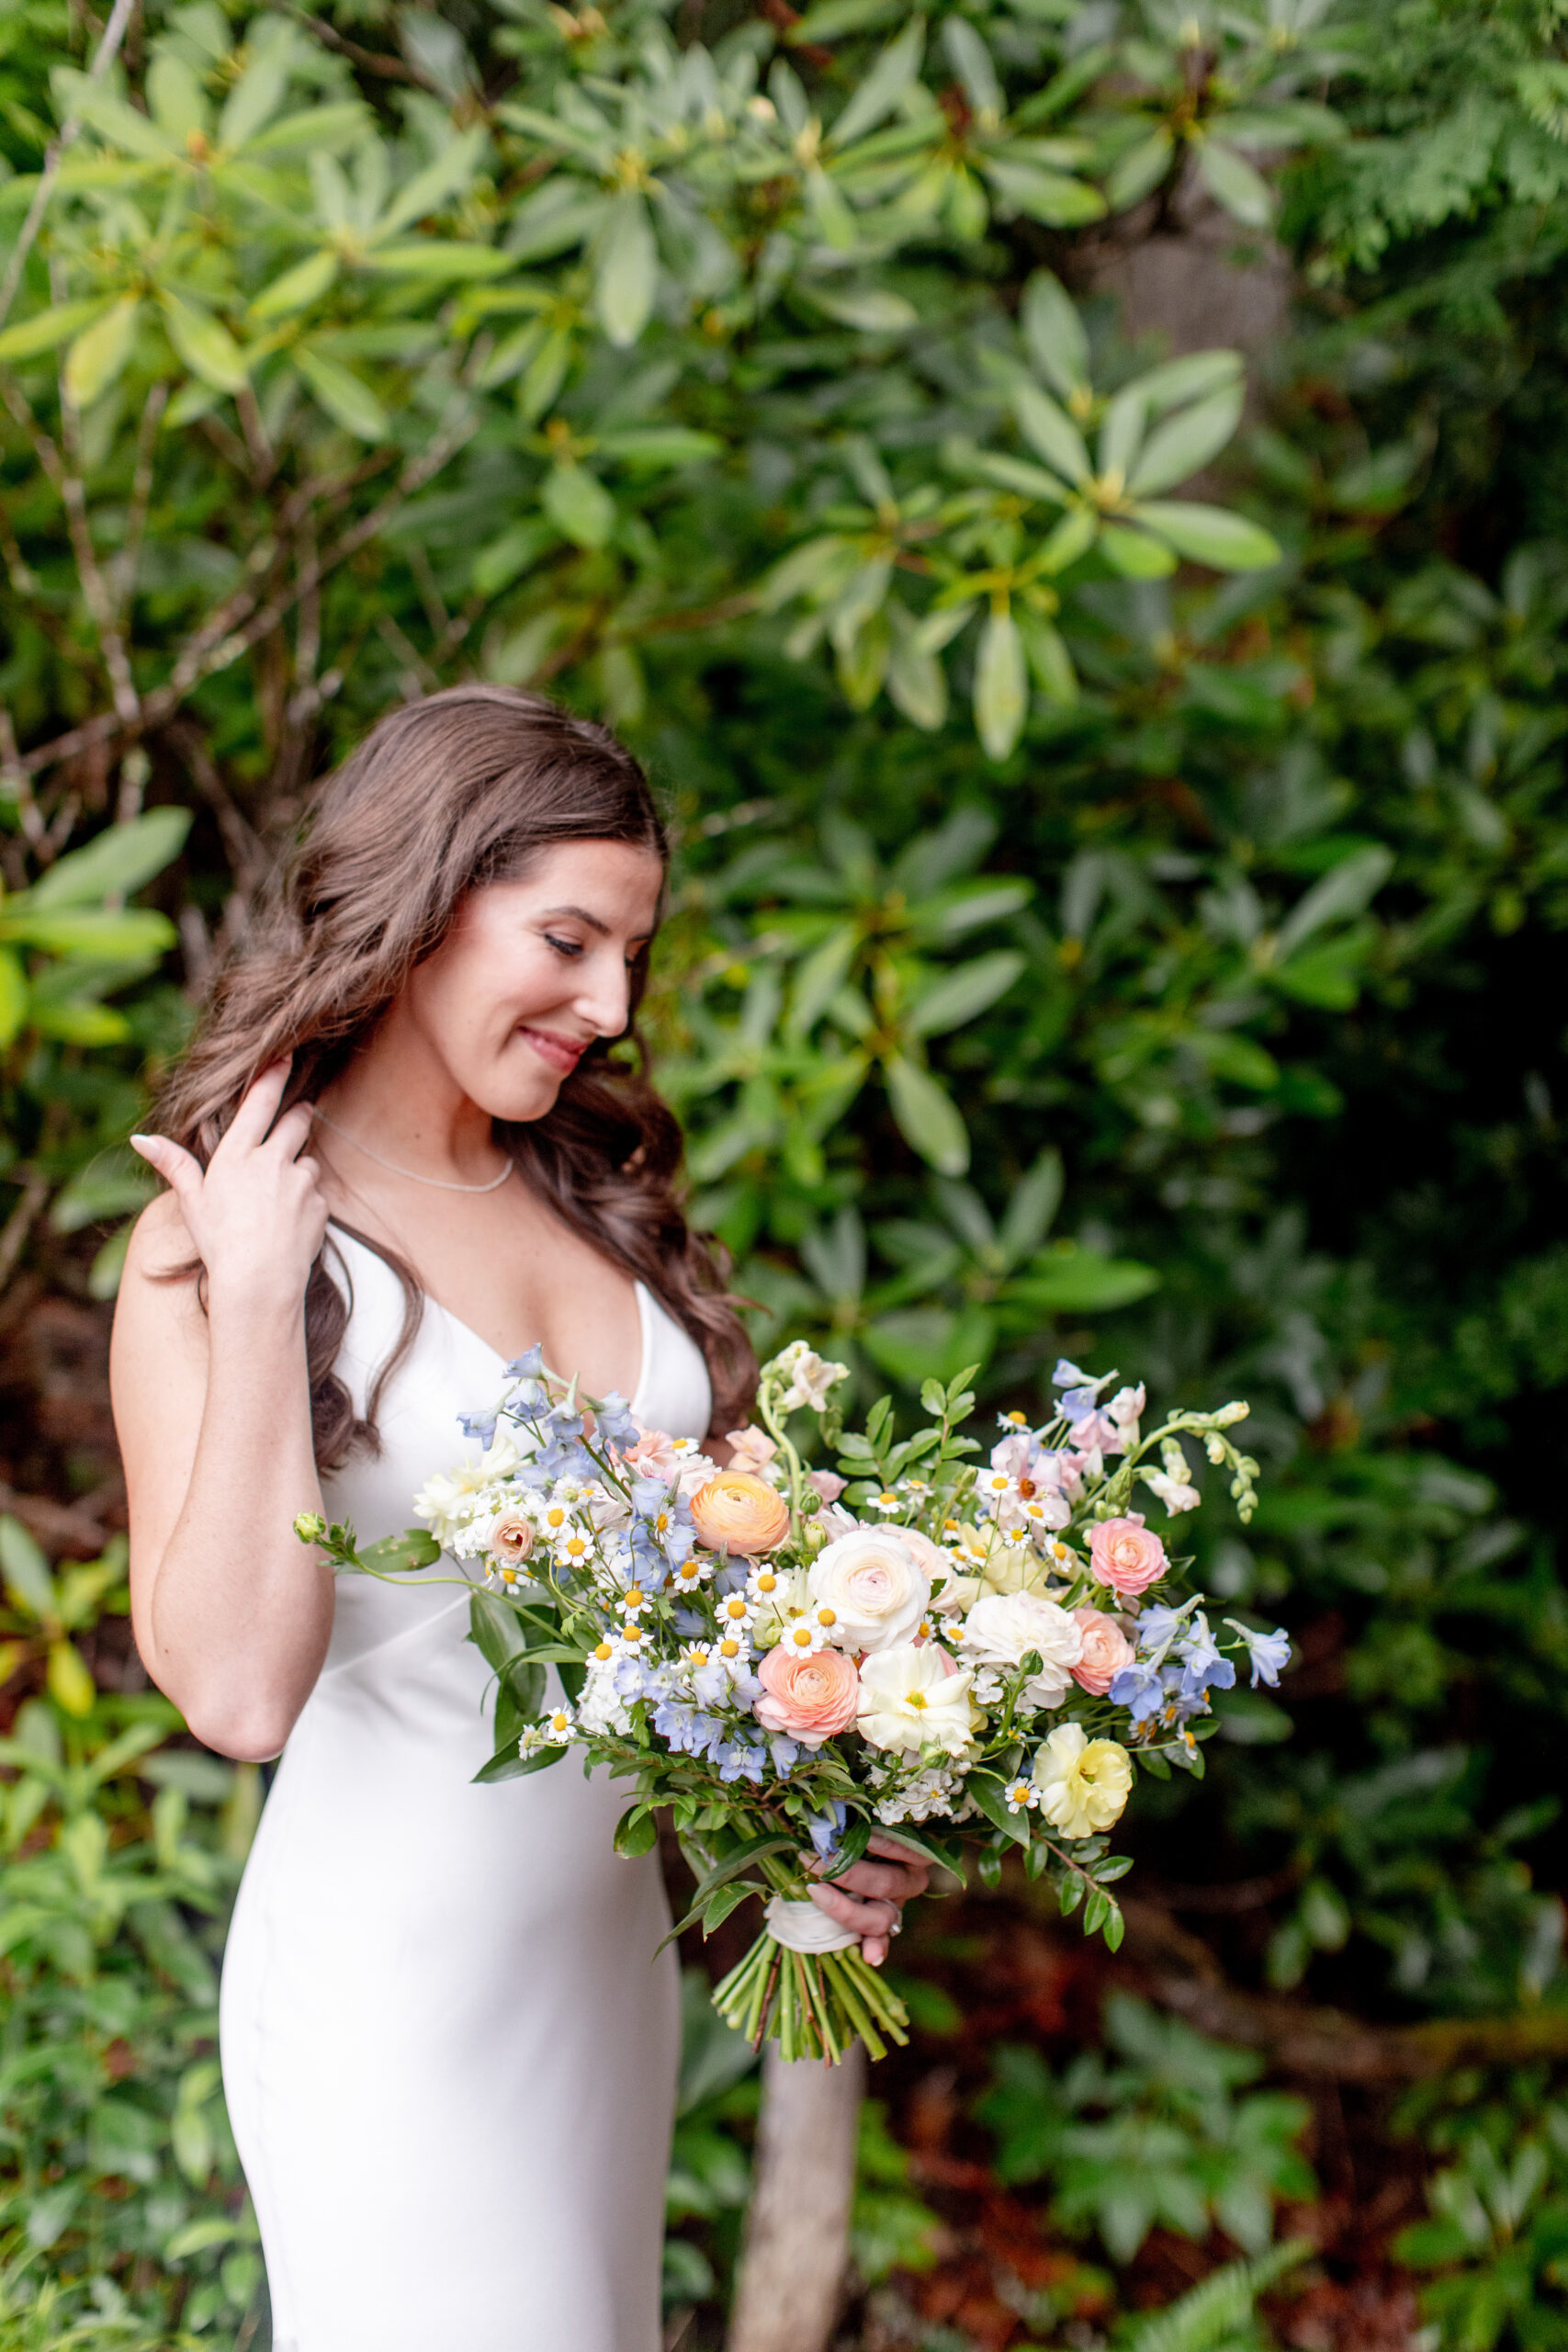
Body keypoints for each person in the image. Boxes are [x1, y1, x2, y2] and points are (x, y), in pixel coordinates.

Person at [109, 686, 929, 2352]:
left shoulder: (590, 1192)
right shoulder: (219, 1236)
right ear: (427, 896)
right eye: (567, 939)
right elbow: (237, 1698)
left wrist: (807, 1829)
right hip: (386, 1996)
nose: (608, 1004)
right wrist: (266, 1298)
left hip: (600, 1979)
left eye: (628, 955)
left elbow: (690, 1635)